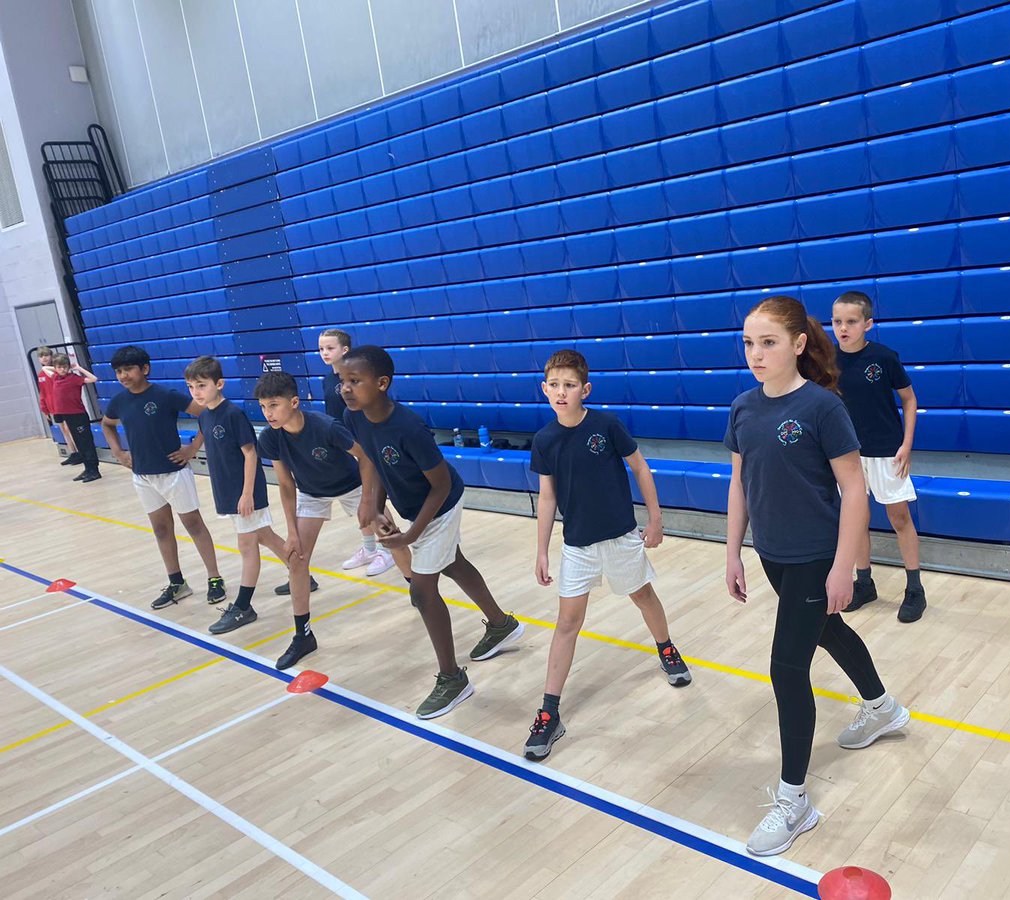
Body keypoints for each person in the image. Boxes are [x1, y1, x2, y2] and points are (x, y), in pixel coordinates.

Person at [725, 296, 910, 857]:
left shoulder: (823, 408)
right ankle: (883, 709)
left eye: (769, 342)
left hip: (814, 555)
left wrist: (843, 566)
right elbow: (739, 484)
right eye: (750, 343)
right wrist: (733, 551)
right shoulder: (742, 406)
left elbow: (855, 489)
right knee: (826, 631)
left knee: (786, 666)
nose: (756, 354)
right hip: (772, 554)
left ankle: (795, 799)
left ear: (798, 345)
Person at [523, 349, 691, 761]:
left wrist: (655, 520)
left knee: (643, 596)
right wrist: (541, 550)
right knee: (567, 623)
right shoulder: (544, 440)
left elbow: (640, 468)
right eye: (555, 385)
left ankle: (666, 648)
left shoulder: (606, 424)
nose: (562, 392)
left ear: (585, 389)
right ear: (545, 389)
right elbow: (547, 498)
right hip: (577, 546)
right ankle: (550, 711)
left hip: (620, 538)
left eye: (570, 385)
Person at [339, 345, 524, 719]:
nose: (345, 388)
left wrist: (410, 536)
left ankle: (453, 678)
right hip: (415, 505)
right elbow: (374, 462)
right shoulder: (354, 416)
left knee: (422, 591)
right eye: (342, 381)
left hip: (441, 502)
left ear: (382, 383)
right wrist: (374, 507)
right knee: (452, 563)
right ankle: (502, 625)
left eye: (354, 381)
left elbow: (439, 487)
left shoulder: (408, 428)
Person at [253, 371, 383, 669]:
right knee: (297, 559)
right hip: (312, 494)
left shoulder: (326, 426)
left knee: (389, 535)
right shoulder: (270, 437)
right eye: (263, 407)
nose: (267, 413)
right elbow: (286, 485)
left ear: (294, 402)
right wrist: (292, 533)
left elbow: (365, 457)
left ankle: (415, 585)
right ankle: (303, 635)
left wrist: (366, 502)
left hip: (352, 486)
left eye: (273, 405)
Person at [100, 345, 226, 610]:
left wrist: (193, 448)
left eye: (128, 369)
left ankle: (215, 579)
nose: (123, 375)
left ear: (144, 369)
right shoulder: (119, 401)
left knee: (193, 525)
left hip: (174, 473)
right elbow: (107, 424)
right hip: (143, 477)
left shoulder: (165, 395)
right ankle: (177, 582)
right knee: (161, 529)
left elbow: (205, 413)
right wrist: (118, 452)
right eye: (118, 371)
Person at [180, 356, 296, 635]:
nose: (196, 392)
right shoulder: (205, 415)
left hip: (245, 492)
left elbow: (250, 453)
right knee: (265, 536)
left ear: (219, 384)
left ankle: (243, 606)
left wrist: (246, 494)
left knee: (247, 546)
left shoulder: (232, 414)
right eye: (191, 386)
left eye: (201, 385)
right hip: (228, 491)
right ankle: (302, 573)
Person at [831, 291, 927, 623]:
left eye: (851, 322)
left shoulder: (884, 358)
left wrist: (906, 444)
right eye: (837, 322)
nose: (843, 328)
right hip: (847, 456)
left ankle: (914, 588)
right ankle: (864, 583)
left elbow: (910, 400)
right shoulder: (826, 362)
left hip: (887, 453)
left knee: (899, 519)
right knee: (855, 521)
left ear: (868, 324)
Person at [318, 328, 394, 579]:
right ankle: (370, 548)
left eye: (330, 348)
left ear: (345, 350)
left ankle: (389, 548)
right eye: (321, 349)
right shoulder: (328, 380)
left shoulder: (358, 379)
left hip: (365, 445)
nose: (324, 353)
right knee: (361, 500)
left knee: (373, 498)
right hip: (346, 445)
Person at [49, 354, 102, 483]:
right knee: (79, 444)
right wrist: (56, 367)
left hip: (78, 415)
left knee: (86, 443)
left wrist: (78, 368)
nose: (62, 370)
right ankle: (87, 468)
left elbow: (94, 379)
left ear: (68, 367)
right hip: (68, 416)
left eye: (64, 367)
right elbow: (45, 370)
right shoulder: (56, 377)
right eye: (59, 367)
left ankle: (94, 470)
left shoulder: (74, 378)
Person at [36, 346, 80, 467]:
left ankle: (80, 452)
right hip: (53, 407)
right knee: (63, 430)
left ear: (51, 356)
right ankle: (73, 452)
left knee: (69, 428)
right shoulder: (41, 375)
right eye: (41, 356)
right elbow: (43, 393)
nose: (44, 358)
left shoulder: (58, 372)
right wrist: (44, 409)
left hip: (64, 405)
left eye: (46, 355)